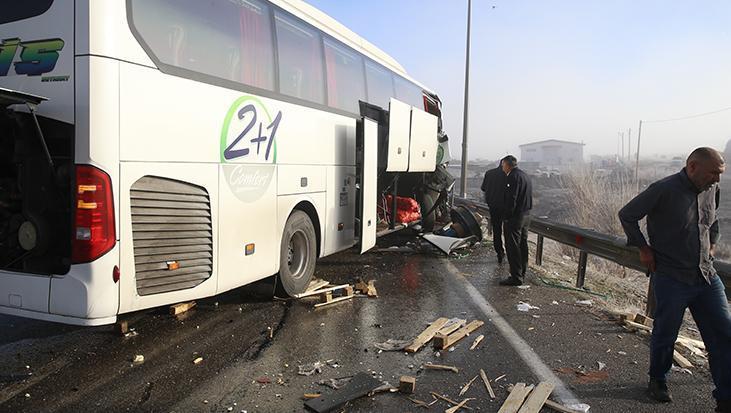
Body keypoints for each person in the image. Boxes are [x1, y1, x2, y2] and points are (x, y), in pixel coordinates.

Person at [618, 147, 731, 411]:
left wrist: (712, 244)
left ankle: (726, 397)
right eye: (713, 172)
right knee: (666, 332)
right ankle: (658, 379)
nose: (717, 179)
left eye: (721, 173)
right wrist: (643, 248)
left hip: (705, 275)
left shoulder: (711, 188)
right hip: (671, 276)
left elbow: (712, 221)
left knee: (723, 333)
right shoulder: (663, 189)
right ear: (692, 167)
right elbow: (627, 215)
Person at [499, 155, 532, 286]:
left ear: (507, 165)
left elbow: (511, 199)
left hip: (515, 217)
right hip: (526, 215)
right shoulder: (525, 175)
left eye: (503, 165)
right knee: (523, 245)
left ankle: (516, 277)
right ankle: (522, 273)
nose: (502, 167)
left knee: (512, 247)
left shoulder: (512, 177)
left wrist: (507, 216)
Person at [481, 159, 507, 263]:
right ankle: (509, 252)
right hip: (506, 207)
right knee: (508, 231)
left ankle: (499, 252)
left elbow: (483, 188)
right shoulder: (508, 175)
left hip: (493, 206)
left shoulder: (489, 173)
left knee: (497, 230)